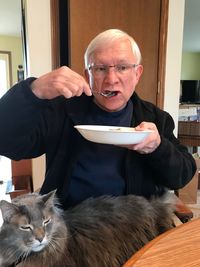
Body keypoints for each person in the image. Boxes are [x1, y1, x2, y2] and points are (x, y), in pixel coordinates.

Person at [0, 29, 196, 209]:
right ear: (88, 75)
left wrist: (157, 148)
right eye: (100, 69)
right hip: (68, 225)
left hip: (134, 226)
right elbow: (7, 143)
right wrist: (33, 91)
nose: (111, 79)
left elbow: (182, 176)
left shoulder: (156, 119)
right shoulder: (61, 111)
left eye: (122, 67)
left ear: (137, 74)